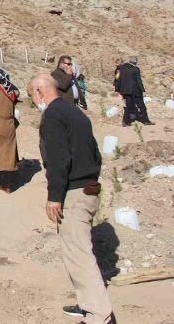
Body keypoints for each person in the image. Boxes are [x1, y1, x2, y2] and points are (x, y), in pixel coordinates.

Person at [27, 73, 115, 324]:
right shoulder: (74, 111)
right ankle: (89, 304)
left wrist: (55, 196)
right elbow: (95, 153)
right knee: (80, 251)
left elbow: (58, 159)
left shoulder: (53, 116)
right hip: (89, 186)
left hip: (73, 192)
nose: (34, 102)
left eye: (32, 96)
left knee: (78, 254)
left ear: (40, 92)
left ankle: (100, 316)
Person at [117, 57, 153, 127]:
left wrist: (119, 90)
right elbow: (139, 81)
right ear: (135, 63)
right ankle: (146, 121)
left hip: (125, 91)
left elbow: (119, 80)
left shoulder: (122, 68)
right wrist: (142, 90)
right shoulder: (136, 69)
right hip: (135, 91)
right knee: (142, 106)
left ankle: (125, 122)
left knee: (128, 107)